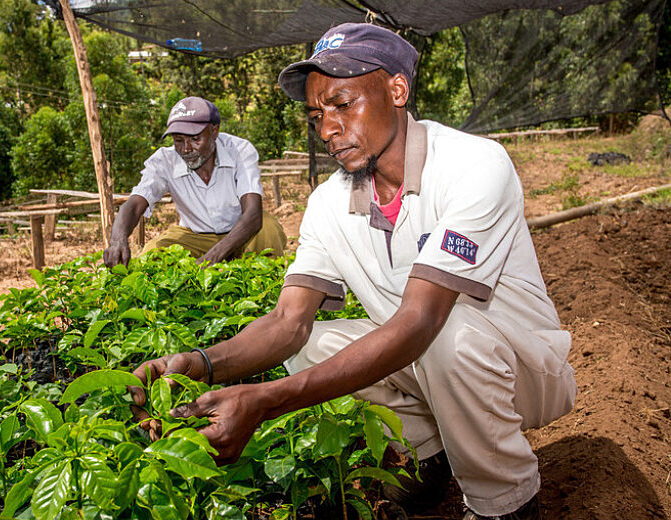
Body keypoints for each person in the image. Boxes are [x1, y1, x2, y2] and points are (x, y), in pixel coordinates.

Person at [128, 23, 576, 520]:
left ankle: (505, 499)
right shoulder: (330, 202)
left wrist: (264, 402)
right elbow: (286, 323)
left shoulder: (474, 165)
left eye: (344, 104)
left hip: (524, 369)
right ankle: (431, 457)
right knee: (310, 347)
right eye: (317, 114)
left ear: (397, 89)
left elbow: (421, 321)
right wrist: (198, 364)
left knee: (449, 334)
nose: (327, 129)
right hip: (430, 363)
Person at [102, 96, 286, 268]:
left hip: (241, 232)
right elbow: (135, 204)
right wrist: (118, 240)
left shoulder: (239, 150)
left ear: (214, 131)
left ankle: (270, 292)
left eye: (195, 139)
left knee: (268, 230)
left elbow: (253, 215)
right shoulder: (165, 160)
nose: (186, 149)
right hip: (194, 236)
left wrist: (211, 259)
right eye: (178, 140)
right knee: (154, 254)